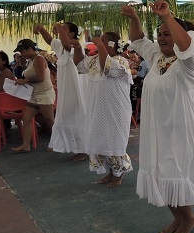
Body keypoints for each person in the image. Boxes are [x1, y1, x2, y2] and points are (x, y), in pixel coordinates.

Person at [123, 1, 194, 233]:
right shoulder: (157, 57)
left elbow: (187, 45)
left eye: (167, 33)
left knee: (174, 174)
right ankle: (177, 218)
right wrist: (135, 19)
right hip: (157, 130)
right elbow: (137, 40)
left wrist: (167, 17)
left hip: (181, 131)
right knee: (160, 175)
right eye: (159, 33)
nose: (161, 37)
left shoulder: (189, 63)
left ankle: (188, 217)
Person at [72, 31, 132, 187]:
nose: (99, 42)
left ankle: (118, 174)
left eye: (103, 40)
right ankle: (111, 172)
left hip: (116, 110)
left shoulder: (120, 61)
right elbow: (79, 64)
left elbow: (107, 68)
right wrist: (78, 47)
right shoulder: (94, 60)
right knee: (102, 141)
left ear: (112, 45)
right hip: (98, 109)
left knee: (114, 141)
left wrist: (98, 43)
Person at [33, 22, 88, 161]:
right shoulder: (59, 45)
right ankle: (70, 145)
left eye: (64, 29)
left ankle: (84, 149)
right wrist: (42, 29)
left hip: (76, 88)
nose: (60, 30)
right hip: (65, 88)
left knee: (78, 114)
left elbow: (67, 45)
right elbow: (50, 40)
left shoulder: (75, 46)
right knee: (66, 115)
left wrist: (58, 26)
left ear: (72, 34)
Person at [11, 39, 56, 152]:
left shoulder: (39, 59)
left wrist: (25, 81)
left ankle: (57, 142)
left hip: (44, 93)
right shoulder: (30, 61)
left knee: (49, 120)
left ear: (30, 49)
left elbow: (41, 78)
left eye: (23, 52)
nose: (22, 54)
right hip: (34, 94)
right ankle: (26, 145)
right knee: (26, 119)